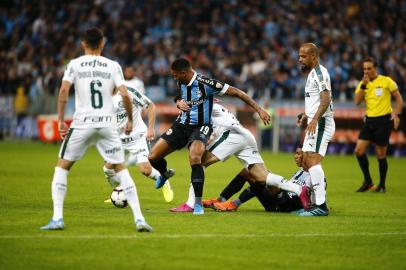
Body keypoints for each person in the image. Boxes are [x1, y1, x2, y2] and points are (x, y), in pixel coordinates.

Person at [40, 28, 153, 232]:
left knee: (62, 167)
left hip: (83, 122)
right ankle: (139, 219)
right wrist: (129, 119)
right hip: (107, 124)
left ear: (83, 44)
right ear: (102, 43)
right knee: (121, 169)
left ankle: (57, 218)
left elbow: (64, 90)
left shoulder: (74, 64)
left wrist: (60, 121)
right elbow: (125, 95)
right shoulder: (113, 65)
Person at [148, 58, 271, 215]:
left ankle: (197, 204)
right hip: (181, 125)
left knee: (195, 157)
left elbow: (237, 92)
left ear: (184, 73)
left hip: (201, 127)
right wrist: (179, 102)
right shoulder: (182, 81)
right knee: (153, 157)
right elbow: (179, 96)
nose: (174, 78)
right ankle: (165, 174)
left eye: (175, 75)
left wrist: (259, 109)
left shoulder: (207, 83)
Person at [169, 102, 310, 213]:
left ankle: (191, 203)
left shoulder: (206, 105)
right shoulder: (210, 109)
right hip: (245, 136)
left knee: (199, 161)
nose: (182, 107)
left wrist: (181, 103)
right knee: (261, 176)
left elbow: (195, 107)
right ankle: (298, 189)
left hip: (233, 134)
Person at [102, 83, 174, 203]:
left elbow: (150, 105)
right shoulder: (102, 97)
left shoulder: (128, 91)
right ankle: (118, 192)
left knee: (145, 170)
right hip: (116, 139)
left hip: (137, 137)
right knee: (108, 169)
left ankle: (164, 181)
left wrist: (150, 128)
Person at [295, 43, 335, 216]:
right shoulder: (312, 74)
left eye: (303, 56)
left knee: (311, 161)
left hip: (322, 123)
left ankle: (321, 205)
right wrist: (306, 114)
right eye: (299, 56)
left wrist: (315, 119)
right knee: (305, 162)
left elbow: (326, 99)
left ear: (313, 57)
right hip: (315, 122)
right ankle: (312, 203)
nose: (300, 59)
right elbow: (316, 101)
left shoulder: (320, 73)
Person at [212, 147, 314, 213]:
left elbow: (317, 192)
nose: (295, 157)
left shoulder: (315, 174)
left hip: (286, 206)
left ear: (307, 156)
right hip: (278, 200)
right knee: (248, 171)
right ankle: (221, 199)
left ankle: (234, 204)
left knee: (264, 177)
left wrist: (319, 206)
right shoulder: (300, 171)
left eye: (299, 154)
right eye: (296, 153)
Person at [354, 58, 403, 193]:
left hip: (383, 121)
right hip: (369, 121)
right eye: (364, 69)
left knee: (380, 154)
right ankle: (368, 182)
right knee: (359, 151)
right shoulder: (362, 84)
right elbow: (357, 101)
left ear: (375, 68)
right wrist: (363, 85)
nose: (366, 71)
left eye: (369, 68)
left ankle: (381, 185)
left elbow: (398, 98)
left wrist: (397, 114)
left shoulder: (386, 81)